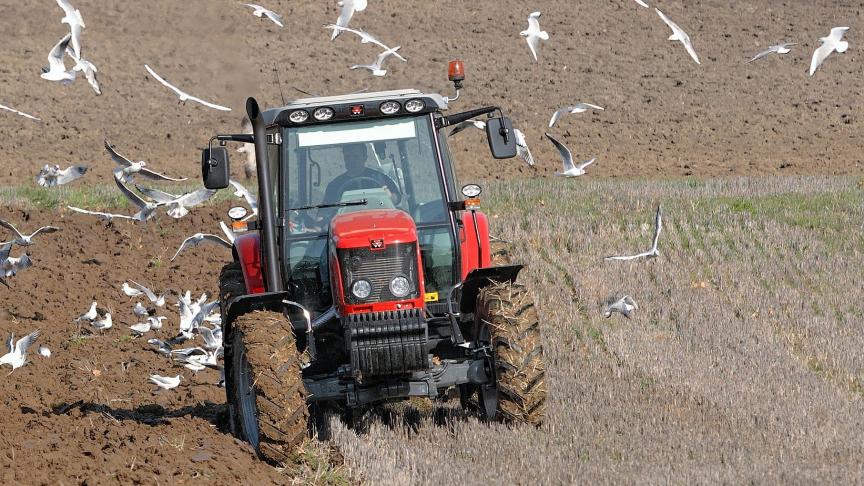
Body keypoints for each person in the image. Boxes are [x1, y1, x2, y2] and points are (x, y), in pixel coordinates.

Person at [321, 143, 400, 205]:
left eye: (355, 157)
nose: (351, 161)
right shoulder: (335, 185)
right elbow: (324, 213)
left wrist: (389, 197)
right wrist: (317, 225)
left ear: (364, 157)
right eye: (347, 157)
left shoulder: (379, 178)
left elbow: (397, 199)